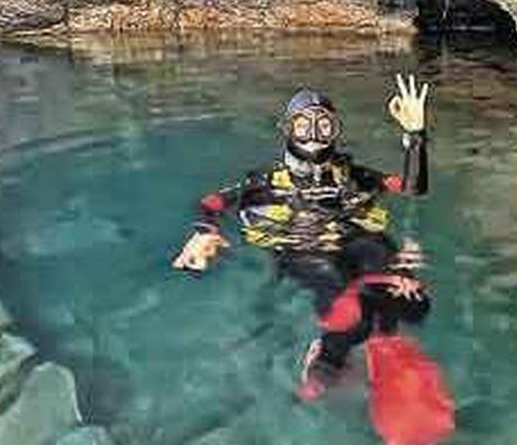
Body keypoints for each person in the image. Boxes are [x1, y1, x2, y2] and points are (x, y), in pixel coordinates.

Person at [172, 74, 432, 400]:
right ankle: (330, 352)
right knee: (342, 294)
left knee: (415, 303)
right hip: (304, 251)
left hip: (359, 244)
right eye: (302, 126)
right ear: (287, 130)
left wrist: (415, 135)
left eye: (324, 127)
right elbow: (212, 202)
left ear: (336, 131)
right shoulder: (267, 182)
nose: (313, 136)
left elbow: (412, 188)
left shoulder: (356, 176)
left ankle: (381, 334)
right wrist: (204, 233)